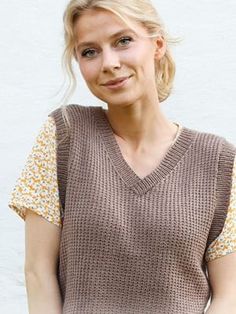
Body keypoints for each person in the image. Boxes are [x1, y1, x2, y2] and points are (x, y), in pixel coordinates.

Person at [8, 0, 236, 313]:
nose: (109, 63)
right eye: (89, 51)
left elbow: (229, 295)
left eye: (123, 41)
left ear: (157, 45)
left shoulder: (220, 161)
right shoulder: (65, 134)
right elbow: (38, 272)